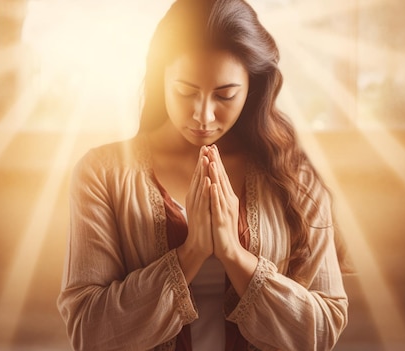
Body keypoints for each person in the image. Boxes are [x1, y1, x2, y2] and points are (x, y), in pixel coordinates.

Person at [57, 0, 351, 350]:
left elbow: (322, 330)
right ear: (160, 76)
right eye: (185, 92)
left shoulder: (293, 174)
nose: (203, 115)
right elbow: (89, 332)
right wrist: (192, 251)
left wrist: (234, 254)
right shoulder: (103, 173)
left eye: (225, 95)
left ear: (253, 87)